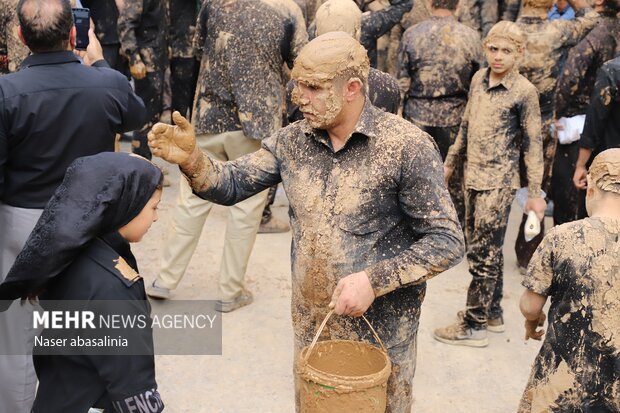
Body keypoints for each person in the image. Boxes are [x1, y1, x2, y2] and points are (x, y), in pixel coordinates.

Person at [149, 31, 464, 413]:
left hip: (381, 336)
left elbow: (446, 241)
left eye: (313, 88)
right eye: (297, 85)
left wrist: (372, 281)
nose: (299, 98)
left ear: (351, 88)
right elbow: (230, 184)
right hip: (313, 325)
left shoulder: (406, 147)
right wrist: (192, 160)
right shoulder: (292, 141)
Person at [0, 0, 146, 410]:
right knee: (88, 324)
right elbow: (136, 115)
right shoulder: (107, 84)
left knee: (15, 337)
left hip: (21, 222)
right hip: (88, 221)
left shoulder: (5, 92)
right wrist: (99, 64)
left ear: (20, 37)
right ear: (73, 34)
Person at [145, 0, 308, 311]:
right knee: (245, 209)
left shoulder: (213, 3)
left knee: (192, 199)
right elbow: (301, 65)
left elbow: (196, 51)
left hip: (209, 115)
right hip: (257, 121)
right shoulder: (288, 10)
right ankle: (229, 291)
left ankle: (164, 279)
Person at [0, 152, 165, 413]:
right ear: (125, 204)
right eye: (154, 207)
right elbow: (133, 386)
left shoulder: (65, 256)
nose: (156, 217)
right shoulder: (115, 288)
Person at [434, 21, 545, 347]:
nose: (498, 56)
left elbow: (533, 145)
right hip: (472, 176)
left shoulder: (524, 92)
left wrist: (534, 194)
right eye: (493, 49)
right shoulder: (479, 79)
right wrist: (450, 163)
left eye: (507, 51)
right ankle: (493, 312)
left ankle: (474, 324)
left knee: (482, 255)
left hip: (498, 184)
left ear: (520, 53)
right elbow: (466, 124)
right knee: (488, 251)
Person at [518, 148, 620, 412]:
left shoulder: (563, 237)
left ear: (591, 190)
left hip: (562, 380)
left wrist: (532, 322)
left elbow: (530, 305)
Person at [513, 0, 598, 271]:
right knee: (538, 187)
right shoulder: (557, 31)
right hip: (542, 122)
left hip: (510, 119)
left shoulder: (509, 31)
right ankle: (529, 252)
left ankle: (523, 251)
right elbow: (592, 18)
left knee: (522, 185)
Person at [398, 0, 484, 226]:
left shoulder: (412, 34)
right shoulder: (471, 36)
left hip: (417, 115)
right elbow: (478, 83)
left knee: (417, 176)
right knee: (453, 179)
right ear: (458, 6)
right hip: (455, 116)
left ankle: (417, 226)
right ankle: (453, 229)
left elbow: (403, 81)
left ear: (429, 4)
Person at [553, 0, 620, 226]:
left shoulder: (593, 32)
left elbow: (570, 78)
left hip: (581, 130)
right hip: (603, 129)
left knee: (576, 209)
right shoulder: (612, 27)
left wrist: (554, 112)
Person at [117, 0, 167, 160]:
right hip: (145, 59)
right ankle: (142, 163)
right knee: (145, 114)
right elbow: (126, 22)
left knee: (153, 113)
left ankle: (146, 161)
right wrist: (133, 58)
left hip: (157, 55)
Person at [573, 56, 620, 191]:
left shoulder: (612, 70)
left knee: (605, 208)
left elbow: (595, 120)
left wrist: (581, 164)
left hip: (611, 165)